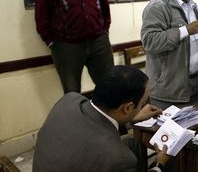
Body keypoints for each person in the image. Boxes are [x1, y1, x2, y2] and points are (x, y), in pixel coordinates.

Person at [33, 65, 170, 172]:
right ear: (127, 108)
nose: (143, 106)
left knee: (133, 144)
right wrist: (158, 164)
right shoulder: (118, 159)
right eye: (142, 103)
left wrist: (132, 116)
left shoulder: (69, 100)